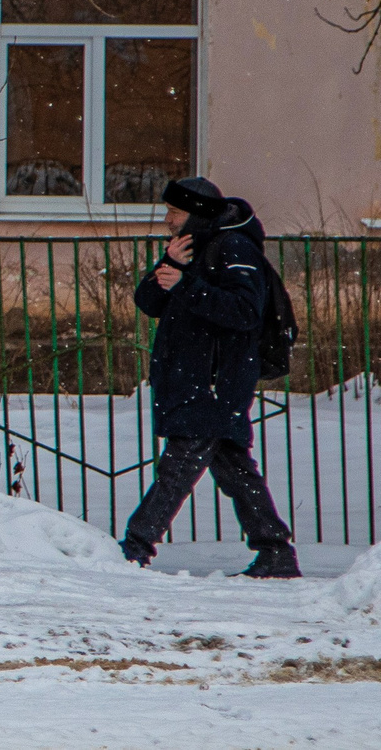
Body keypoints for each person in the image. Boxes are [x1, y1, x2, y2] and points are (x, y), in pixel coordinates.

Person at [120, 174, 298, 578]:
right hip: (195, 377)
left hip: (215, 380)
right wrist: (171, 265)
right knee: (233, 467)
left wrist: (186, 284)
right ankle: (275, 551)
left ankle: (135, 546)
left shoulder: (234, 247)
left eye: (174, 211)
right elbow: (148, 302)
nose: (167, 219)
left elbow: (244, 312)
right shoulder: (190, 248)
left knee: (179, 464)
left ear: (197, 214)